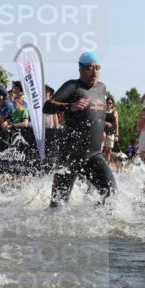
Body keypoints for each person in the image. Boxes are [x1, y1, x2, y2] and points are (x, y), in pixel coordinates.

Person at [42, 51, 116, 206]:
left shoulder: (102, 88)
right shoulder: (73, 86)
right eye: (90, 68)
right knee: (58, 204)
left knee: (111, 192)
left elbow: (95, 113)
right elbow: (47, 106)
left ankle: (98, 225)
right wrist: (70, 106)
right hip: (71, 155)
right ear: (81, 69)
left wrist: (107, 124)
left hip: (94, 154)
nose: (94, 72)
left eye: (97, 67)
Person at [102, 96, 119, 165]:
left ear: (113, 104)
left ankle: (107, 165)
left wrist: (117, 135)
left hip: (111, 132)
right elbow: (98, 120)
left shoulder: (115, 112)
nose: (108, 104)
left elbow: (117, 125)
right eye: (107, 103)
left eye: (110, 103)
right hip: (102, 132)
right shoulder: (102, 111)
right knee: (100, 149)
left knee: (108, 151)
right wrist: (105, 123)